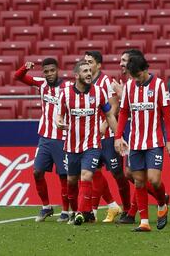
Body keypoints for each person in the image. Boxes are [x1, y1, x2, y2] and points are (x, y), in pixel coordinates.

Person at [114, 55, 170, 232]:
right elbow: (124, 113)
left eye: (138, 75)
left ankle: (162, 204)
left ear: (146, 69)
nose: (136, 79)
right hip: (135, 142)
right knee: (139, 181)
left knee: (154, 180)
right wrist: (118, 136)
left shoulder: (159, 85)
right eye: (133, 76)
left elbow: (167, 114)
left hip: (154, 141)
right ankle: (144, 222)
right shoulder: (128, 87)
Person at [56, 59, 118, 226]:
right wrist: (59, 123)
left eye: (90, 71)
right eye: (85, 71)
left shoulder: (99, 92)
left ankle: (81, 213)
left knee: (87, 175)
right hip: (71, 145)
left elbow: (109, 115)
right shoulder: (65, 94)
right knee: (71, 180)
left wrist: (118, 136)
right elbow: (59, 116)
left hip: (92, 144)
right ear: (76, 75)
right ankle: (76, 211)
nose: (89, 74)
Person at [14, 58, 71, 222]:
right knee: (37, 172)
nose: (49, 74)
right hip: (45, 138)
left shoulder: (67, 88)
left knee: (64, 176)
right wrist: (25, 67)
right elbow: (18, 77)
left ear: (57, 70)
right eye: (46, 71)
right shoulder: (41, 84)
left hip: (62, 139)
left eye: (52, 70)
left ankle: (66, 211)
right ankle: (46, 207)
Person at [84, 51, 131, 222]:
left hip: (109, 135)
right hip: (92, 137)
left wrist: (103, 126)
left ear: (98, 65)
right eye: (85, 61)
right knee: (93, 172)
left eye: (90, 62)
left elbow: (115, 106)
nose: (87, 64)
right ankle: (99, 209)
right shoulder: (85, 83)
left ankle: (127, 209)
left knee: (118, 174)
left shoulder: (106, 81)